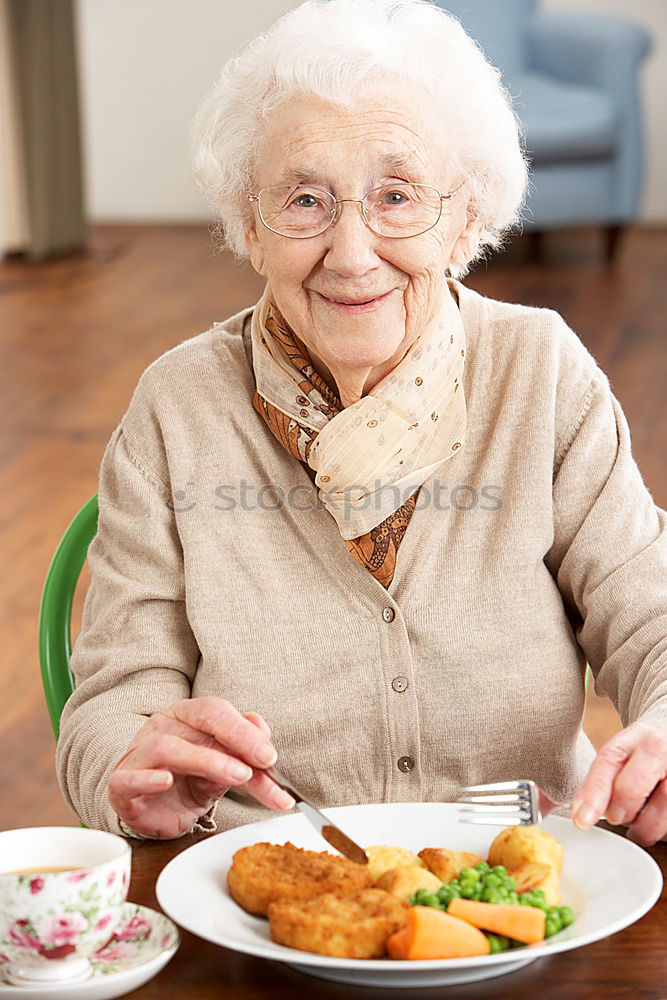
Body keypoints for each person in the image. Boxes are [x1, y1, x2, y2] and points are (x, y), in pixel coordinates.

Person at [56, 0, 667, 846]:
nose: (351, 253)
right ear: (248, 227)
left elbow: (651, 614)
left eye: (397, 195)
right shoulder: (179, 407)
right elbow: (114, 699)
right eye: (304, 200)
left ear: (465, 219)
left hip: (522, 884)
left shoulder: (540, 372)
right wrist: (133, 766)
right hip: (256, 894)